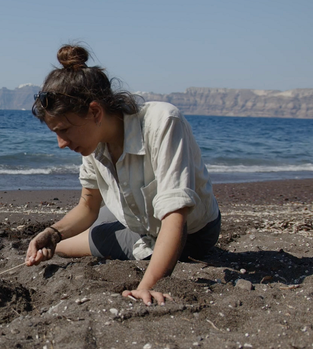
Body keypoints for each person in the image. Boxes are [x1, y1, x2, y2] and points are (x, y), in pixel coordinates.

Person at [26, 44, 221, 306]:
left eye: (64, 130)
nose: (61, 143)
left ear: (95, 112)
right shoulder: (93, 146)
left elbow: (175, 217)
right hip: (137, 216)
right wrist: (52, 233)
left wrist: (147, 287)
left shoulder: (162, 121)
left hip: (192, 233)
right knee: (63, 239)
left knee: (77, 245)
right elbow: (88, 207)